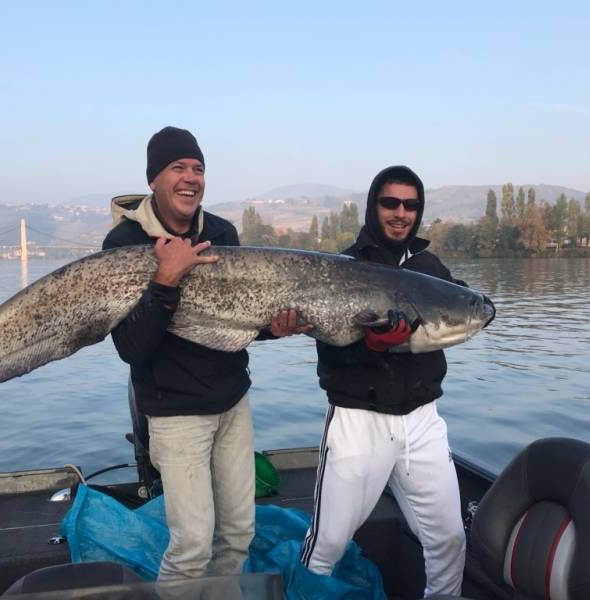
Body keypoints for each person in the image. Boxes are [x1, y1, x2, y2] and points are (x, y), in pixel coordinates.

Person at [103, 126, 307, 581]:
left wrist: (275, 328)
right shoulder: (122, 245)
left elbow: (240, 323)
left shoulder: (220, 231)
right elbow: (133, 348)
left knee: (237, 533)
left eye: (198, 168)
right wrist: (165, 281)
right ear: (154, 178)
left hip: (232, 401)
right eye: (178, 167)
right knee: (192, 545)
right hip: (175, 413)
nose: (190, 178)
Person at [300, 165, 492, 597]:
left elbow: (475, 303)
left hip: (422, 421)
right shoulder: (342, 268)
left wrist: (477, 305)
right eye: (391, 203)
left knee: (449, 540)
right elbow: (330, 347)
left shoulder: (430, 267)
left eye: (411, 205)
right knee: (327, 544)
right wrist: (370, 345)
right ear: (374, 206)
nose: (401, 213)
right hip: (358, 421)